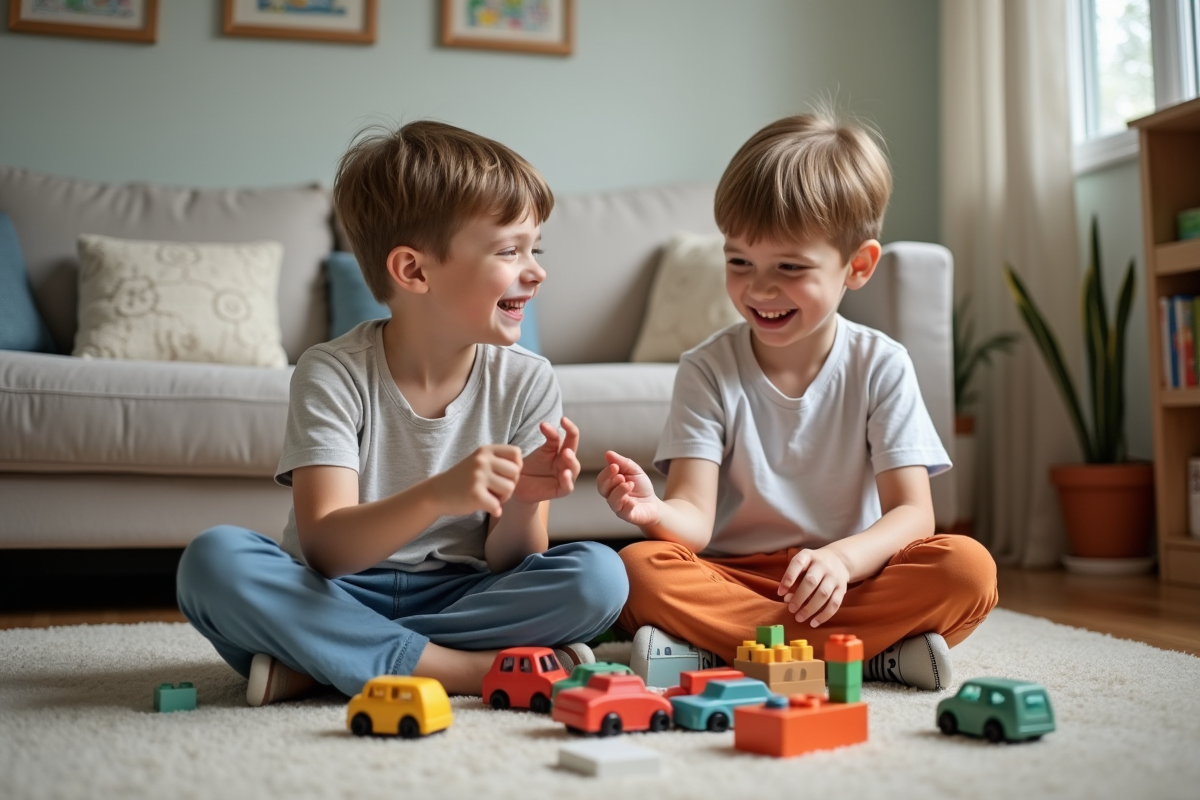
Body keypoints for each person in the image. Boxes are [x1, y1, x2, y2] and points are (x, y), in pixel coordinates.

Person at [177, 120, 628, 706]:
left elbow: (513, 560)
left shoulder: (527, 378)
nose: (536, 269)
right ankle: (467, 670)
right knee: (214, 562)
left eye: (534, 248)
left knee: (599, 576)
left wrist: (523, 499)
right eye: (509, 250)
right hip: (337, 592)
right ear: (414, 271)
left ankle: (323, 664)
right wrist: (439, 495)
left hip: (463, 596)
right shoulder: (333, 371)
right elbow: (327, 551)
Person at [598, 112, 997, 691]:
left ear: (856, 266)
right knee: (634, 570)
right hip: (736, 578)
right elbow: (695, 520)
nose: (759, 289)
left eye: (789, 267)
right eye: (739, 262)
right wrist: (655, 511)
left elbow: (913, 516)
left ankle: (720, 653)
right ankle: (862, 656)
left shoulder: (880, 364)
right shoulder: (706, 368)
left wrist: (840, 560)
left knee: (967, 569)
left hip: (848, 578)